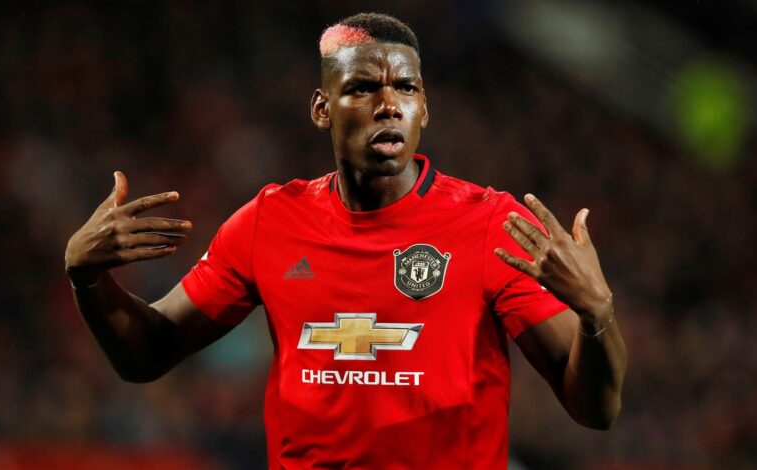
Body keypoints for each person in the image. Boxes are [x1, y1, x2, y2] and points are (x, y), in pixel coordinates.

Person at [64, 12, 627, 469]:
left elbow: (595, 409)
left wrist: (596, 314)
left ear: (424, 109)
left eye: (406, 87)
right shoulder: (269, 221)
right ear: (321, 109)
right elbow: (146, 352)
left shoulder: (490, 225)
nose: (389, 105)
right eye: (362, 88)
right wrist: (88, 278)